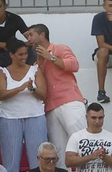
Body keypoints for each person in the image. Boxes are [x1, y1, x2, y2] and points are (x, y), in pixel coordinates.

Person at [26, 23, 87, 153]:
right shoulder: (37, 60)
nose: (28, 39)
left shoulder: (59, 48)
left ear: (42, 34)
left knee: (81, 142)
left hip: (69, 102)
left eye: (31, 35)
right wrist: (40, 64)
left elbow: (75, 65)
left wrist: (51, 57)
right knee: (58, 151)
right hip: (50, 108)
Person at [0, 39, 48, 172]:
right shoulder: (2, 72)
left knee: (38, 159)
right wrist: (20, 88)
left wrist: (32, 88)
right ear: (11, 55)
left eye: (25, 54)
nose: (24, 57)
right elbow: (1, 94)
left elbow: (44, 95)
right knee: (10, 160)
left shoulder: (35, 70)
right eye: (20, 54)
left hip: (35, 116)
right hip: (10, 118)